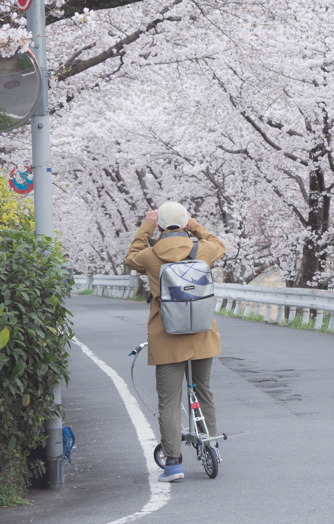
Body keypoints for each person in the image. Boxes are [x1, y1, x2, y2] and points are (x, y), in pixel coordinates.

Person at [124, 201, 226, 482]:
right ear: (185, 224)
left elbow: (130, 257)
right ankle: (212, 444)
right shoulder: (202, 250)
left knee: (169, 401)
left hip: (167, 337)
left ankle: (173, 464)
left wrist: (147, 225)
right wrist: (193, 225)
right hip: (203, 335)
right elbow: (219, 243)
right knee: (203, 390)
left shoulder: (150, 256)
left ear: (159, 227)